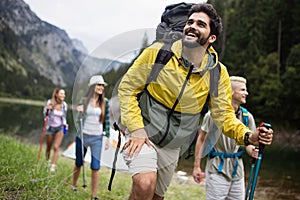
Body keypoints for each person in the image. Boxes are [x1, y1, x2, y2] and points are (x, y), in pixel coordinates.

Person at [118, 3, 273, 200]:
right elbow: (127, 88)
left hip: (172, 145)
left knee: (155, 197)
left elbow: (224, 116)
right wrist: (137, 129)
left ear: (212, 38)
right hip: (144, 132)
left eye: (201, 24)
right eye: (190, 22)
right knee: (145, 183)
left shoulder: (217, 73)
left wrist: (249, 136)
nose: (192, 26)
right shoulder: (158, 53)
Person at [193, 76, 259, 199]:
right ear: (231, 92)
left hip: (237, 171)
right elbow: (201, 139)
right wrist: (197, 166)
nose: (247, 93)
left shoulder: (247, 117)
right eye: (243, 90)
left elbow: (249, 143)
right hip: (217, 168)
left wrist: (252, 151)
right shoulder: (212, 115)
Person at [72, 75, 110, 200]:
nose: (101, 87)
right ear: (93, 86)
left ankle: (94, 195)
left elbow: (107, 121)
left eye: (102, 85)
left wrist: (108, 137)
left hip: (97, 138)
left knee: (95, 166)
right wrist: (79, 112)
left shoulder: (106, 102)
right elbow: (78, 121)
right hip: (82, 136)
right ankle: (74, 185)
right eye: (99, 85)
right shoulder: (84, 101)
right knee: (78, 163)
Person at [43, 88, 68, 172]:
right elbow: (45, 115)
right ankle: (47, 160)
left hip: (60, 128)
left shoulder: (64, 105)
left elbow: (64, 116)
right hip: (50, 127)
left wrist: (65, 123)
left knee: (56, 147)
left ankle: (53, 166)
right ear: (56, 94)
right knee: (49, 147)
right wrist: (47, 109)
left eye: (64, 94)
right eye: (61, 94)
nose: (63, 95)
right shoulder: (50, 102)